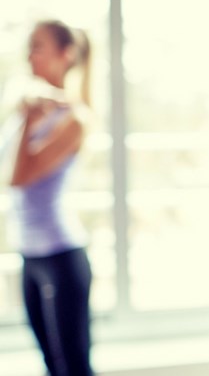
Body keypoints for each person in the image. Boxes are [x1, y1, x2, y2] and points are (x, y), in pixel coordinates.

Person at [6, 20, 94, 376]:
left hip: (61, 256)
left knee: (72, 367)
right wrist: (25, 108)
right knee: (49, 365)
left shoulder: (74, 119)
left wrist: (27, 117)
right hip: (28, 253)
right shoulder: (27, 105)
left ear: (65, 55)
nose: (30, 55)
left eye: (38, 47)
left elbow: (18, 177)